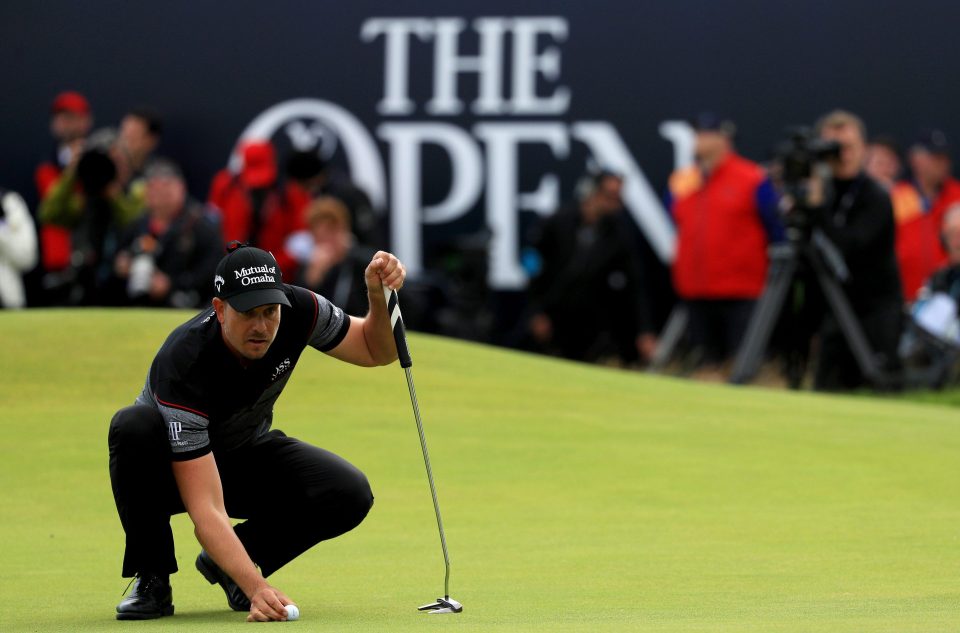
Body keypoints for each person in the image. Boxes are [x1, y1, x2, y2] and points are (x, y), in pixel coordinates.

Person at [108, 242, 406, 621]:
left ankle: (234, 564)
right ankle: (153, 579)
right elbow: (207, 510)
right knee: (132, 426)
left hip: (242, 455)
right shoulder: (184, 363)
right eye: (248, 313)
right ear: (220, 309)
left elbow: (374, 349)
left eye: (270, 311)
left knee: (348, 491)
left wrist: (377, 298)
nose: (262, 326)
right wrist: (258, 588)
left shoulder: (301, 310)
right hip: (166, 472)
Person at [667, 113, 784, 367]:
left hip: (741, 292)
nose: (697, 139)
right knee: (703, 366)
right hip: (695, 289)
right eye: (696, 133)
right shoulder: (683, 180)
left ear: (724, 138)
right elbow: (676, 221)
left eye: (704, 133)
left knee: (741, 365)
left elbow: (776, 230)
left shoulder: (752, 178)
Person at [813, 110, 903, 390]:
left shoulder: (875, 196)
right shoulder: (822, 190)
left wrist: (818, 210)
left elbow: (850, 246)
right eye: (834, 147)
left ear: (863, 149)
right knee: (827, 388)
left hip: (875, 310)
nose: (842, 154)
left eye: (848, 147)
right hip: (835, 306)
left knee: (877, 388)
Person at [528, 170, 654, 364]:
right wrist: (536, 312)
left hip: (589, 324)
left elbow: (636, 283)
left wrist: (645, 331)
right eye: (609, 196)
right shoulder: (556, 222)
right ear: (591, 193)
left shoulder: (620, 233)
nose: (616, 203)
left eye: (618, 197)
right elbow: (530, 262)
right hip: (550, 312)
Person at [38, 128, 142, 304]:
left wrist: (115, 195)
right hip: (85, 284)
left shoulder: (138, 191)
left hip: (125, 286)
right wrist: (72, 173)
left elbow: (135, 222)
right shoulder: (83, 201)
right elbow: (48, 214)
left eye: (117, 160)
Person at [111, 160, 222, 308]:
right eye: (152, 188)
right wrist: (123, 264)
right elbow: (119, 257)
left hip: (186, 307)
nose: (158, 195)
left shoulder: (199, 226)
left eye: (165, 188)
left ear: (180, 189)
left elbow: (213, 271)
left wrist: (171, 284)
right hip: (136, 305)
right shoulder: (137, 225)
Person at [208, 141, 310, 281]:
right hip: (232, 273)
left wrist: (265, 270)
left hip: (277, 277)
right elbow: (212, 230)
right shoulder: (225, 186)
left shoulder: (291, 195)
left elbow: (301, 245)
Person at [890, 129, 960, 302]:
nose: (942, 164)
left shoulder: (957, 194)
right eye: (935, 158)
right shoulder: (897, 196)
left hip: (951, 298)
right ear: (916, 159)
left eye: (945, 158)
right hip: (905, 299)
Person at [34, 91, 94, 279]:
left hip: (93, 256)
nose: (65, 123)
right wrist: (71, 171)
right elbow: (55, 206)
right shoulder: (46, 166)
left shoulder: (98, 158)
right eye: (60, 117)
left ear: (86, 121)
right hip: (57, 260)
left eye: (71, 117)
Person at [289, 195, 375, 317]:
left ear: (344, 230)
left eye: (331, 233)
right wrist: (310, 282)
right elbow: (298, 312)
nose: (325, 244)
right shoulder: (308, 267)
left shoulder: (362, 262)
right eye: (319, 238)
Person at [0, 188, 38, 308]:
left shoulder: (12, 201)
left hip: (22, 251)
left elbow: (13, 226)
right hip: (9, 255)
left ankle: (15, 307)